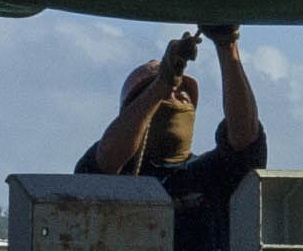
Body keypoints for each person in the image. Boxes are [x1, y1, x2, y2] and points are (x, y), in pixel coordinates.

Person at [75, 24, 263, 251]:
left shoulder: (213, 174)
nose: (175, 92)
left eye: (182, 90)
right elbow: (107, 157)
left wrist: (227, 45)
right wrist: (161, 85)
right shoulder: (122, 178)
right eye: (152, 93)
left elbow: (244, 135)